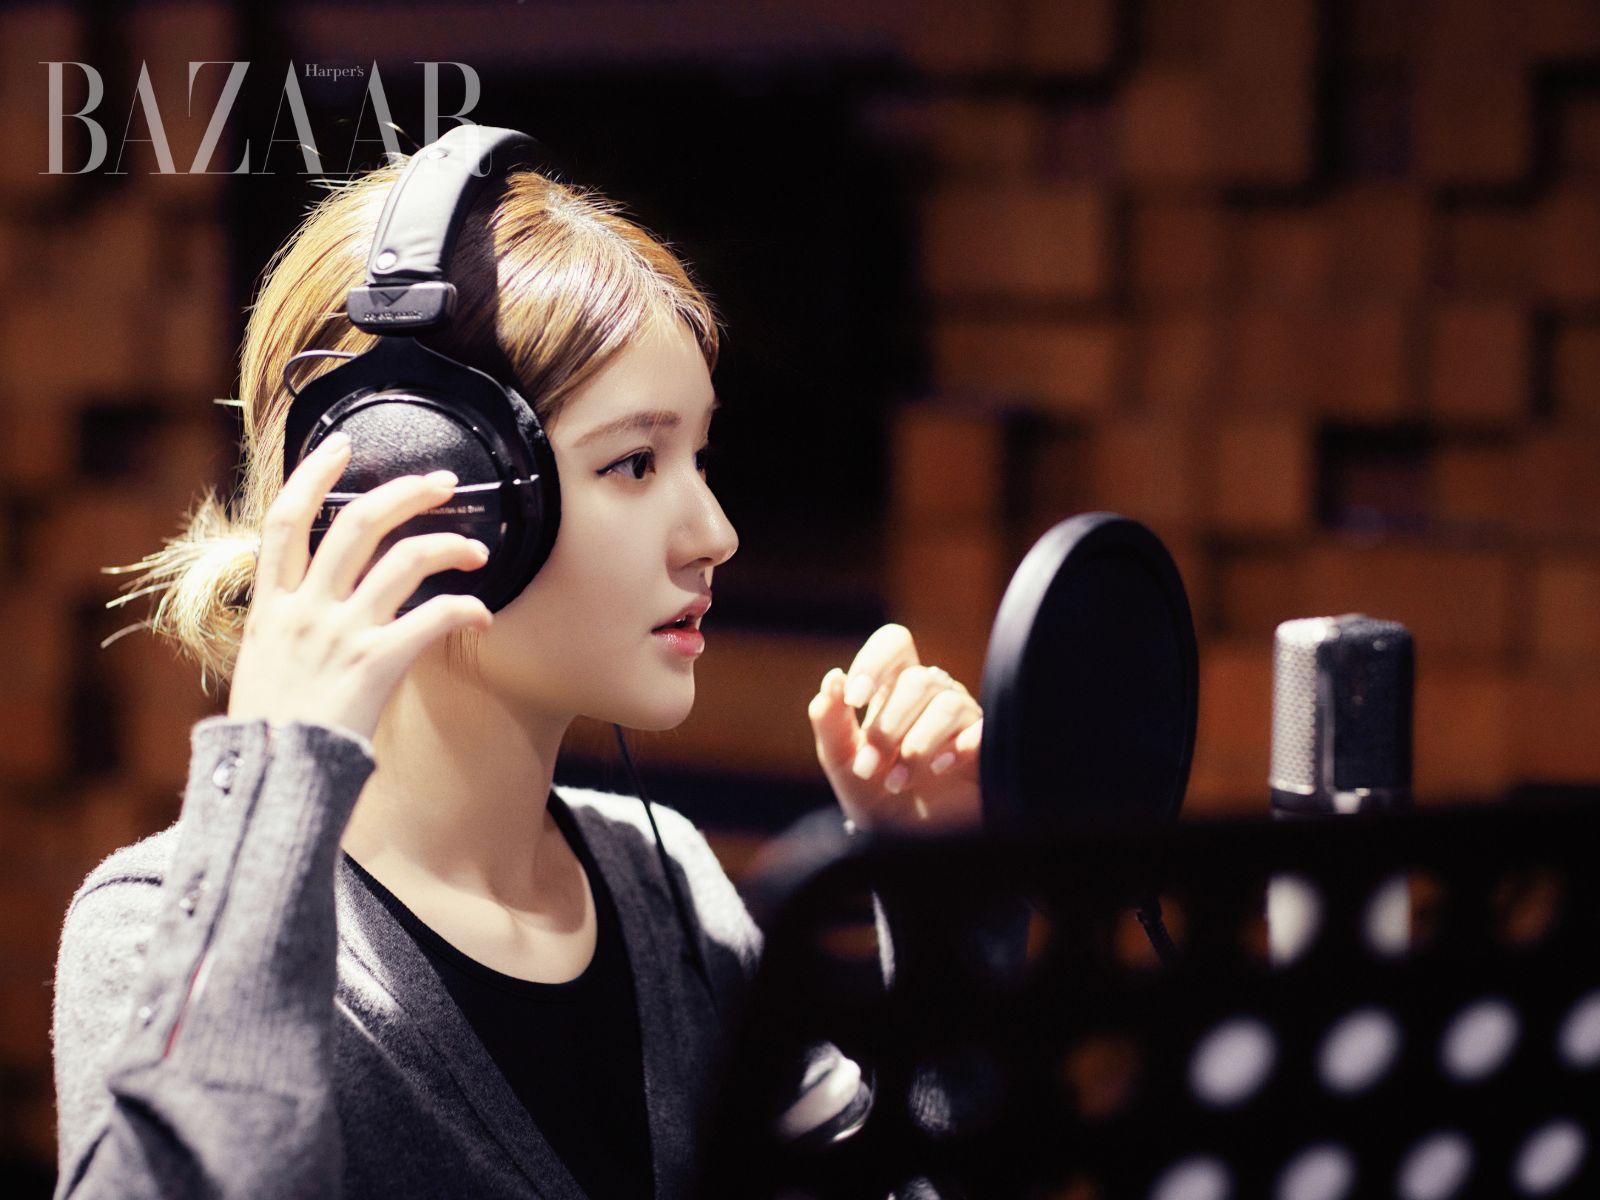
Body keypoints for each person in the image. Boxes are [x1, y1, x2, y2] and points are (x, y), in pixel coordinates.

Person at [50, 143, 984, 1199]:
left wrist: (940, 893)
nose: (716, 534)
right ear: (413, 487)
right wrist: (272, 786)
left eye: (699, 458)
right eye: (634, 462)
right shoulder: (157, 926)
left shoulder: (664, 884)